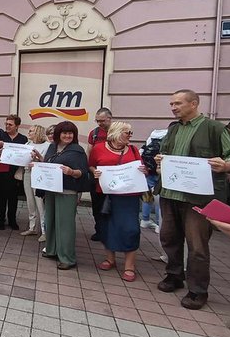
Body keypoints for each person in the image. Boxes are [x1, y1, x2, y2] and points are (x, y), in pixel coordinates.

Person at [155, 89, 230, 310]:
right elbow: (167, 155)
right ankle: (174, 275)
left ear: (193, 104)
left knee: (197, 246)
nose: (173, 108)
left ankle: (197, 290)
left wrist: (226, 165)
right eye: (171, 104)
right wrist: (160, 162)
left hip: (199, 197)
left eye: (177, 103)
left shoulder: (214, 128)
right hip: (170, 193)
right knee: (169, 237)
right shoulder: (173, 128)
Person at [89, 122, 147, 282]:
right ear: (116, 133)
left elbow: (142, 168)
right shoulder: (98, 148)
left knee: (131, 228)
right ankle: (110, 259)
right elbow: (91, 165)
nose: (130, 136)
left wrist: (144, 170)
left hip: (129, 197)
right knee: (107, 226)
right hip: (107, 195)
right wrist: (95, 172)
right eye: (127, 133)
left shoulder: (134, 149)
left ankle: (129, 266)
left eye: (130, 133)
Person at [34, 121, 88, 270]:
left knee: (65, 225)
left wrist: (71, 172)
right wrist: (39, 163)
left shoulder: (78, 150)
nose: (67, 135)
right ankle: (51, 250)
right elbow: (49, 165)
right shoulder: (52, 147)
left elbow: (83, 173)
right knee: (50, 221)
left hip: (68, 191)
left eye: (70, 133)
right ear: (58, 134)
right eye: (64, 133)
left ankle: (67, 258)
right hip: (51, 190)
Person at [0, 115, 28, 230]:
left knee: (13, 197)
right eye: (6, 124)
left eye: (10, 124)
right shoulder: (0, 135)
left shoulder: (23, 139)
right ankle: (0, 220)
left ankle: (12, 220)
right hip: (2, 170)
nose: (7, 126)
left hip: (15, 171)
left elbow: (25, 154)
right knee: (1, 196)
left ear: (17, 126)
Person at [20, 124, 50, 239]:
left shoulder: (48, 146)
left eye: (31, 131)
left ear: (38, 132)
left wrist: (37, 159)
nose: (29, 133)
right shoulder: (27, 144)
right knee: (30, 201)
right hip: (27, 173)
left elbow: (48, 162)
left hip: (39, 175)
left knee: (40, 203)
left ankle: (44, 231)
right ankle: (32, 227)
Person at [88, 108, 113, 241]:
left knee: (113, 206)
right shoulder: (94, 133)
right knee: (97, 205)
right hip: (97, 176)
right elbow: (89, 153)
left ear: (110, 118)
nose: (99, 123)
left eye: (102, 120)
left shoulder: (118, 131)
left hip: (114, 177)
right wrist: (92, 170)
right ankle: (100, 230)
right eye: (97, 121)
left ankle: (112, 231)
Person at [139, 127, 168, 232]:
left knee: (147, 197)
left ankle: (145, 220)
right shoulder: (167, 139)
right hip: (160, 173)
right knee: (158, 199)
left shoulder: (152, 138)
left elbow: (141, 152)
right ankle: (158, 224)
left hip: (148, 172)